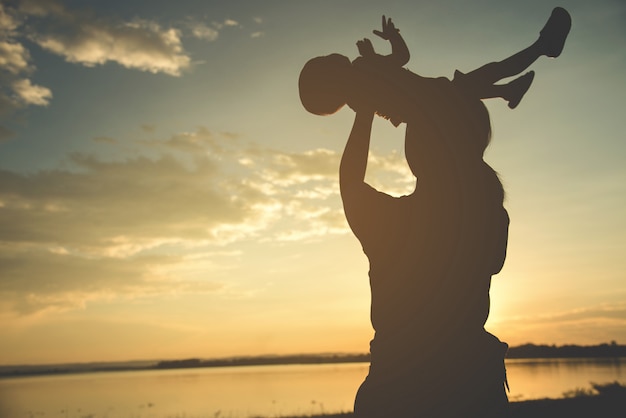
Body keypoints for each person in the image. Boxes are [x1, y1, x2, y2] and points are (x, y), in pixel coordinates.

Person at [299, 8, 571, 418]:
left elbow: (350, 185)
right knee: (472, 83)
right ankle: (534, 55)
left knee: (471, 83)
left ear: (417, 155)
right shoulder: (492, 223)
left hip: (397, 391)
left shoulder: (391, 228)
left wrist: (367, 105)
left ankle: (530, 60)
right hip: (475, 387)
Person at [299, 8, 571, 122]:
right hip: (428, 104)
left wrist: (391, 40)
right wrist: (371, 60)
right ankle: (543, 47)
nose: (331, 56)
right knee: (489, 72)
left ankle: (507, 91)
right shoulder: (359, 94)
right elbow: (386, 86)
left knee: (472, 83)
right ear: (331, 81)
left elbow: (400, 60)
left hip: (431, 96)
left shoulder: (361, 74)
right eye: (325, 62)